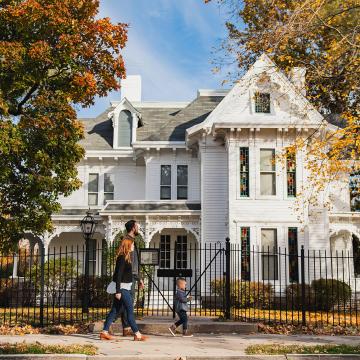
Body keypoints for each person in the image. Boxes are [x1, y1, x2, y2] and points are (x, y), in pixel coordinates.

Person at [100, 228, 147, 341]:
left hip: (124, 287)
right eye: (131, 245)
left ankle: (104, 332)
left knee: (114, 310)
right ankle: (137, 334)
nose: (133, 247)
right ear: (127, 245)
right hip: (122, 288)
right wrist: (118, 291)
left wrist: (138, 278)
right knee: (130, 311)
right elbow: (118, 275)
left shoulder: (127, 257)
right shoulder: (122, 258)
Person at [118, 220, 144, 337]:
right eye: (137, 226)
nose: (139, 227)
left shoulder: (133, 241)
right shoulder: (127, 240)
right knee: (126, 303)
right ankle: (126, 327)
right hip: (127, 277)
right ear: (133, 228)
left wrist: (140, 278)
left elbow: (136, 262)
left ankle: (110, 326)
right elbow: (125, 261)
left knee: (126, 303)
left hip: (133, 276)